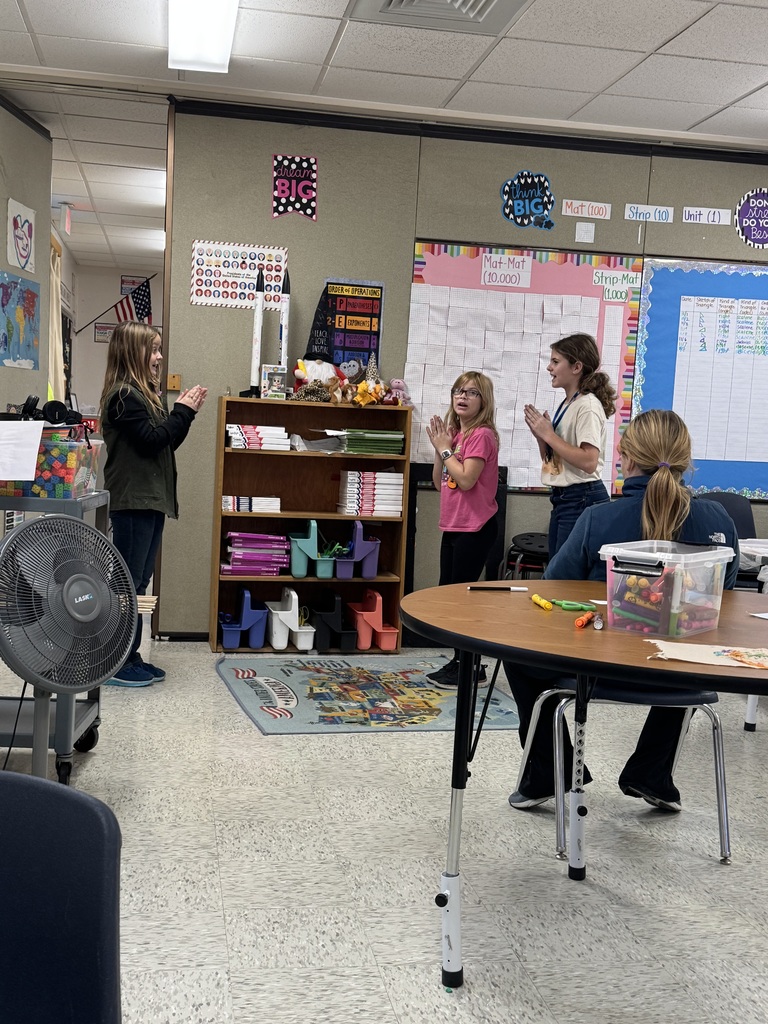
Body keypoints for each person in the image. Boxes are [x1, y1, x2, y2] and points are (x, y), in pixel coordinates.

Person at [506, 409, 739, 813]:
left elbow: (552, 590)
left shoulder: (599, 518)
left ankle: (550, 769)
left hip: (602, 667)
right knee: (686, 641)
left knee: (517, 656)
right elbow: (728, 593)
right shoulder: (717, 520)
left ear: (626, 457)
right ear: (686, 459)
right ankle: (652, 771)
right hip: (684, 671)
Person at [99, 321, 207, 687]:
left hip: (149, 500)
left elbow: (163, 442)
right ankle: (115, 661)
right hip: (133, 501)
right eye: (154, 349)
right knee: (127, 585)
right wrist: (183, 411)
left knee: (138, 584)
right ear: (134, 352)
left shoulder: (142, 395)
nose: (160, 357)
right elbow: (150, 441)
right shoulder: (123, 396)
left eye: (160, 349)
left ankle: (130, 655)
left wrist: (183, 414)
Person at [425, 371, 500, 688]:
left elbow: (467, 480)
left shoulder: (482, 435)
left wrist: (445, 450)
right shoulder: (455, 436)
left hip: (476, 527)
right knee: (450, 595)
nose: (462, 396)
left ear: (483, 401)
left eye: (471, 392)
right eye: (458, 390)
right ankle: (460, 661)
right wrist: (441, 448)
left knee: (463, 599)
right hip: (454, 526)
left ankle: (472, 667)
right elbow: (438, 482)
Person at [524, 333, 616, 558]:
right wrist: (542, 437)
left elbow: (589, 461)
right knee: (556, 570)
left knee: (565, 575)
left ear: (576, 367)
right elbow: (555, 462)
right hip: (565, 498)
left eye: (555, 362)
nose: (549, 367)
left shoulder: (588, 405)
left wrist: (550, 435)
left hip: (582, 496)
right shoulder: (569, 403)